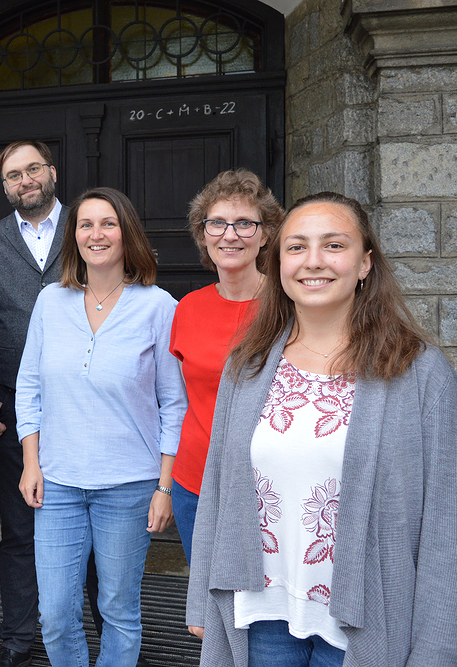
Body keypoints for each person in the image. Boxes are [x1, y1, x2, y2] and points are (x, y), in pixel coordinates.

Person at [186, 192, 457, 667]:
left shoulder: (420, 374)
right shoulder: (248, 366)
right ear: (278, 263)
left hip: (363, 623)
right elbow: (217, 488)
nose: (313, 261)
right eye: (296, 247)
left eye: (334, 245)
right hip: (262, 614)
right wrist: (200, 599)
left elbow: (444, 532)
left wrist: (437, 651)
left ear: (365, 263)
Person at [16, 187, 187, 667]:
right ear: (74, 237)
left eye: (107, 223)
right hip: (58, 482)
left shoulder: (158, 306)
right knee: (55, 611)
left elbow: (174, 403)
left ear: (126, 232)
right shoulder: (51, 301)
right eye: (85, 224)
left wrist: (164, 486)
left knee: (118, 609)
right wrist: (31, 462)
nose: (96, 234)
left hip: (128, 486)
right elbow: (28, 386)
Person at [0, 140, 87, 667]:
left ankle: (108, 635)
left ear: (52, 172)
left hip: (86, 407)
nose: (25, 180)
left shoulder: (91, 227)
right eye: (14, 175)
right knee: (19, 528)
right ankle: (17, 638)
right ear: (6, 185)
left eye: (32, 169)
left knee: (95, 528)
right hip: (12, 409)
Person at [170, 169, 283, 563]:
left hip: (268, 485)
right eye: (217, 223)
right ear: (203, 234)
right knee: (204, 614)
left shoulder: (290, 306)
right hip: (194, 481)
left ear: (266, 234)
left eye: (244, 224)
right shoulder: (187, 308)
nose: (229, 234)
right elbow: (178, 400)